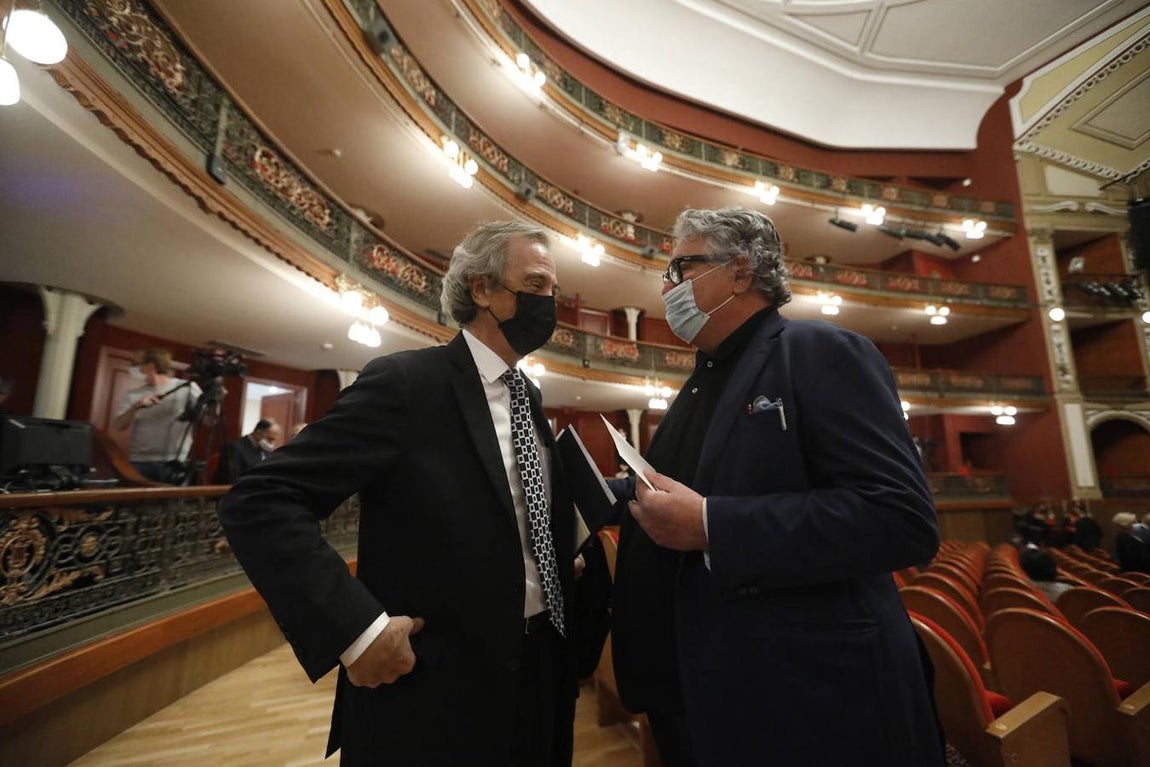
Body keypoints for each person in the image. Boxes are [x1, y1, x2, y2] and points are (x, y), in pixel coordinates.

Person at [219, 221, 581, 766]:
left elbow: (508, 513)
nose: (550, 302)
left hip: (539, 674)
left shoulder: (527, 393)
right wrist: (356, 630)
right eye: (536, 284)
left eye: (554, 289)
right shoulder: (408, 383)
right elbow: (262, 498)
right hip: (435, 692)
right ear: (482, 289)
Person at [609, 207, 943, 766]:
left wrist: (714, 527)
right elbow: (675, 492)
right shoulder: (700, 381)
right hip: (704, 692)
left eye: (680, 267)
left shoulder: (820, 352)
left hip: (806, 698)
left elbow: (900, 518)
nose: (667, 286)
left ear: (740, 271)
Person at [113, 348, 201, 483]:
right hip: (139, 461)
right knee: (136, 503)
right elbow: (118, 426)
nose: (133, 369)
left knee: (173, 503)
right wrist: (135, 407)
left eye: (136, 364)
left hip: (175, 461)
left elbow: (209, 420)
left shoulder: (186, 387)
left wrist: (214, 401)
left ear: (150, 366)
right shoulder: (133, 394)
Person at [211, 418, 281, 483]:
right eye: (270, 439)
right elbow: (231, 477)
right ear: (258, 433)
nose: (272, 443)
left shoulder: (267, 451)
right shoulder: (235, 448)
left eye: (274, 440)